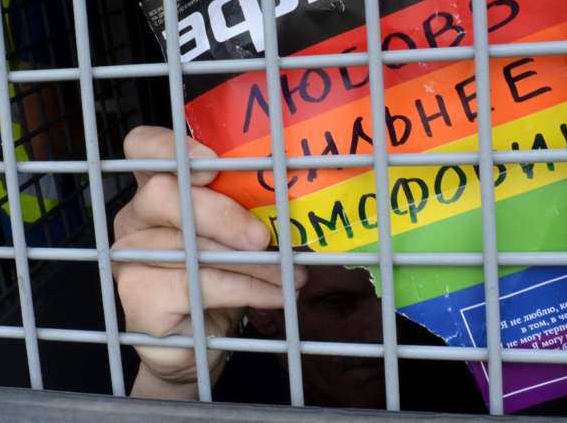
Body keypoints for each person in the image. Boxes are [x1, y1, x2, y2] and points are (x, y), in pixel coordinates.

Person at [112, 126, 484, 412]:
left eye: (405, 289)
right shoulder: (232, 401)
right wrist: (171, 385)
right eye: (337, 302)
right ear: (261, 310)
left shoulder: (458, 359)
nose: (388, 329)